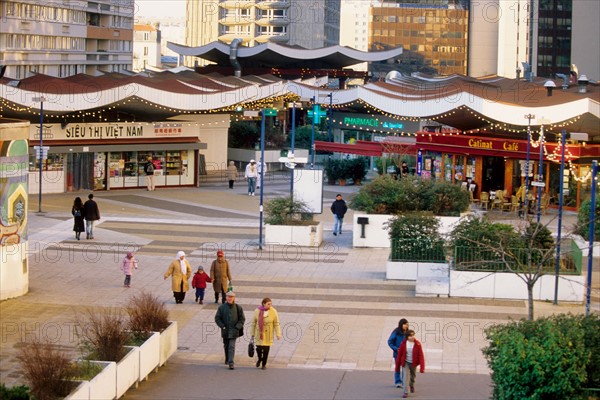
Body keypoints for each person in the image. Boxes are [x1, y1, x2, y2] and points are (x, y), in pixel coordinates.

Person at [214, 291, 245, 370]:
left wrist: (237, 327)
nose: (229, 298)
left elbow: (242, 319)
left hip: (234, 331)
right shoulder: (222, 307)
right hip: (225, 331)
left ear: (234, 298)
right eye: (228, 297)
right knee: (226, 345)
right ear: (226, 298)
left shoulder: (238, 308)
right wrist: (222, 326)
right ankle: (227, 358)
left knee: (231, 346)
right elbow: (217, 318)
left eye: (231, 297)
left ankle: (231, 362)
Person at [250, 297, 281, 369]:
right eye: (268, 304)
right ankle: (259, 359)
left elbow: (276, 323)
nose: (270, 305)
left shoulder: (273, 311)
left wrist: (278, 334)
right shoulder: (257, 311)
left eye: (271, 304)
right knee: (259, 349)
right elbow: (253, 323)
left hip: (268, 334)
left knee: (266, 349)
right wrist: (252, 333)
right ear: (263, 304)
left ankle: (264, 364)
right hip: (259, 333)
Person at [396, 330, 425, 398]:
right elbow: (399, 355)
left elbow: (421, 356)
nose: (412, 337)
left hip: (413, 363)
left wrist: (422, 367)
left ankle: (411, 385)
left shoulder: (417, 344)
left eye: (413, 335)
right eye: (410, 336)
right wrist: (397, 367)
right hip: (406, 362)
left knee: (413, 376)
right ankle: (406, 392)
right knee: (405, 377)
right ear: (407, 337)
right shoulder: (403, 344)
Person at [388, 318, 409, 388]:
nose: (406, 326)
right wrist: (396, 349)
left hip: (406, 354)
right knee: (397, 368)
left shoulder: (408, 333)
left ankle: (404, 381)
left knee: (404, 368)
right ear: (401, 324)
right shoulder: (396, 332)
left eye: (407, 324)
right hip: (398, 353)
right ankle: (398, 381)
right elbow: (390, 341)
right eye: (405, 324)